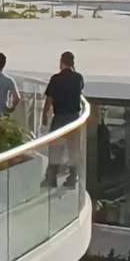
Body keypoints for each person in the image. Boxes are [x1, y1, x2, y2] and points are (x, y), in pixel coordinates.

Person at [40, 51, 85, 189]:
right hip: (74, 118)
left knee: (56, 148)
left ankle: (51, 177)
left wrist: (44, 114)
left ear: (61, 62)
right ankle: (73, 177)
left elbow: (49, 99)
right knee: (73, 149)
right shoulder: (78, 78)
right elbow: (80, 88)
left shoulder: (56, 79)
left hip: (60, 117)